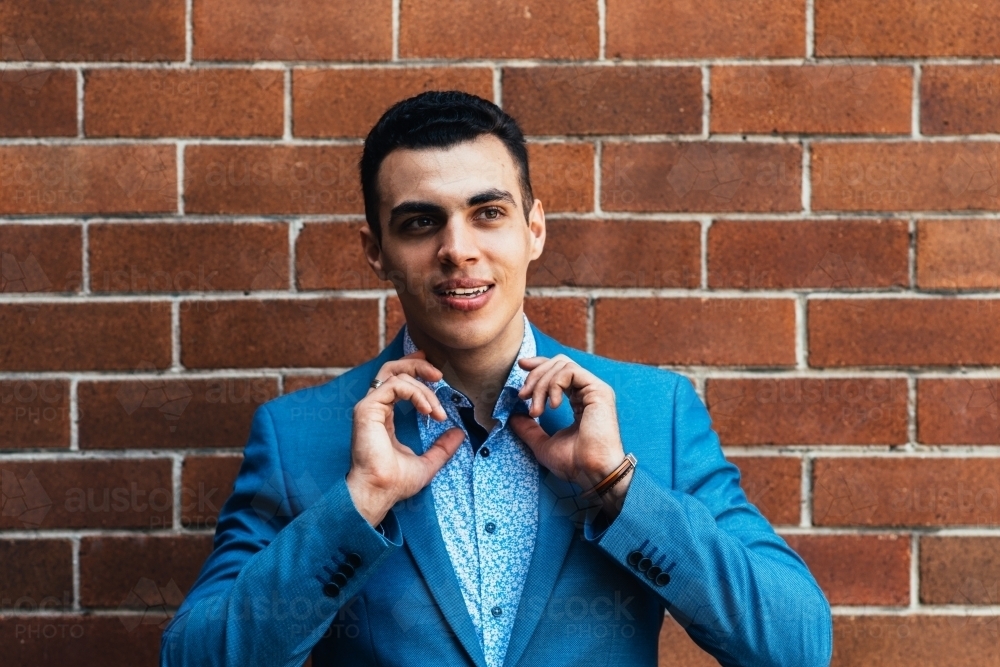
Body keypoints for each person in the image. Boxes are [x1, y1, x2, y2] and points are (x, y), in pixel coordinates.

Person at [161, 91, 832, 666]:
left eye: (489, 212)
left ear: (534, 229)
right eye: (421, 222)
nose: (458, 248)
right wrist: (357, 504)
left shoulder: (657, 414)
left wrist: (619, 488)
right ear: (376, 252)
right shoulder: (299, 436)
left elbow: (796, 643)